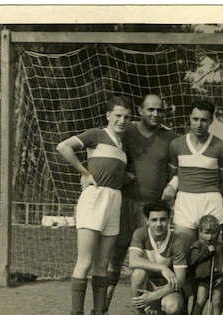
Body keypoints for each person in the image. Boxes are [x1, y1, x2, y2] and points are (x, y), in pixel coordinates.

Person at [56, 96, 132, 315]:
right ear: (108, 115)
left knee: (103, 262)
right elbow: (64, 147)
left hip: (114, 201)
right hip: (94, 199)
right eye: (117, 115)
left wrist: (124, 174)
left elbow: (110, 167)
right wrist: (85, 173)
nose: (122, 120)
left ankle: (99, 312)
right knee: (85, 261)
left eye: (126, 117)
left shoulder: (123, 146)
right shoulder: (97, 134)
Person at [105, 94, 178, 311]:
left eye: (160, 110)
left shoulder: (171, 138)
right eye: (150, 110)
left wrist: (172, 185)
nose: (156, 114)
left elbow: (179, 170)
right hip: (126, 203)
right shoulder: (126, 131)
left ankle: (152, 306)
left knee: (151, 260)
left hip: (154, 211)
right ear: (140, 111)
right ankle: (102, 306)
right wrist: (122, 171)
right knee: (116, 255)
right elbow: (109, 156)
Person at [165, 99, 223, 253]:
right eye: (195, 119)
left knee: (209, 252)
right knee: (182, 250)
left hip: (211, 201)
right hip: (185, 201)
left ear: (211, 121)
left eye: (204, 120)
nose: (199, 124)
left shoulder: (221, 147)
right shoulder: (176, 144)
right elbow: (174, 174)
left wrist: (212, 195)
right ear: (189, 117)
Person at [129, 199, 188, 315]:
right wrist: (162, 268)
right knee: (138, 274)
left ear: (169, 220)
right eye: (154, 220)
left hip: (167, 287)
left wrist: (153, 296)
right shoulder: (140, 233)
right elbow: (133, 260)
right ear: (147, 221)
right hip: (147, 284)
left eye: (163, 219)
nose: (158, 224)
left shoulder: (176, 240)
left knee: (172, 306)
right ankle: (139, 313)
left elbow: (180, 279)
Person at [188, 215, 223, 315]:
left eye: (213, 233)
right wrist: (207, 253)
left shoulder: (219, 246)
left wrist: (222, 277)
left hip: (217, 279)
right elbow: (193, 261)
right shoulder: (197, 245)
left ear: (218, 233)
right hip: (203, 280)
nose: (210, 237)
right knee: (200, 302)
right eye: (206, 233)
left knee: (217, 302)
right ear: (200, 232)